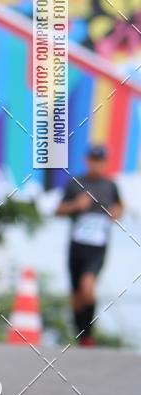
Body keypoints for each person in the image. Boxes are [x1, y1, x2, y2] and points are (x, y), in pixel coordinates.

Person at [55, 145, 124, 347]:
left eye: (100, 160)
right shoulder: (75, 184)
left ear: (105, 162)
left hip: (97, 247)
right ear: (87, 161)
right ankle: (80, 333)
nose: (96, 164)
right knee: (76, 294)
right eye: (93, 159)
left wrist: (116, 213)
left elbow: (120, 206)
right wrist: (75, 206)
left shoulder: (110, 185)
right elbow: (58, 210)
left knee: (88, 288)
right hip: (77, 246)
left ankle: (88, 335)